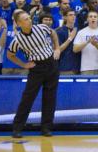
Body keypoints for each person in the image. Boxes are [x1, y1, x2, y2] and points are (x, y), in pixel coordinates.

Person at [7, 10, 61, 138]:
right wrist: (24, 65)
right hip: (36, 68)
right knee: (28, 98)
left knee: (50, 98)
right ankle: (17, 128)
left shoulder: (42, 27)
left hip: (51, 64)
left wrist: (57, 48)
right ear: (19, 23)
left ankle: (46, 128)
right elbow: (10, 55)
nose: (29, 20)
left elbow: (53, 33)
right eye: (25, 19)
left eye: (29, 18)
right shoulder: (17, 40)